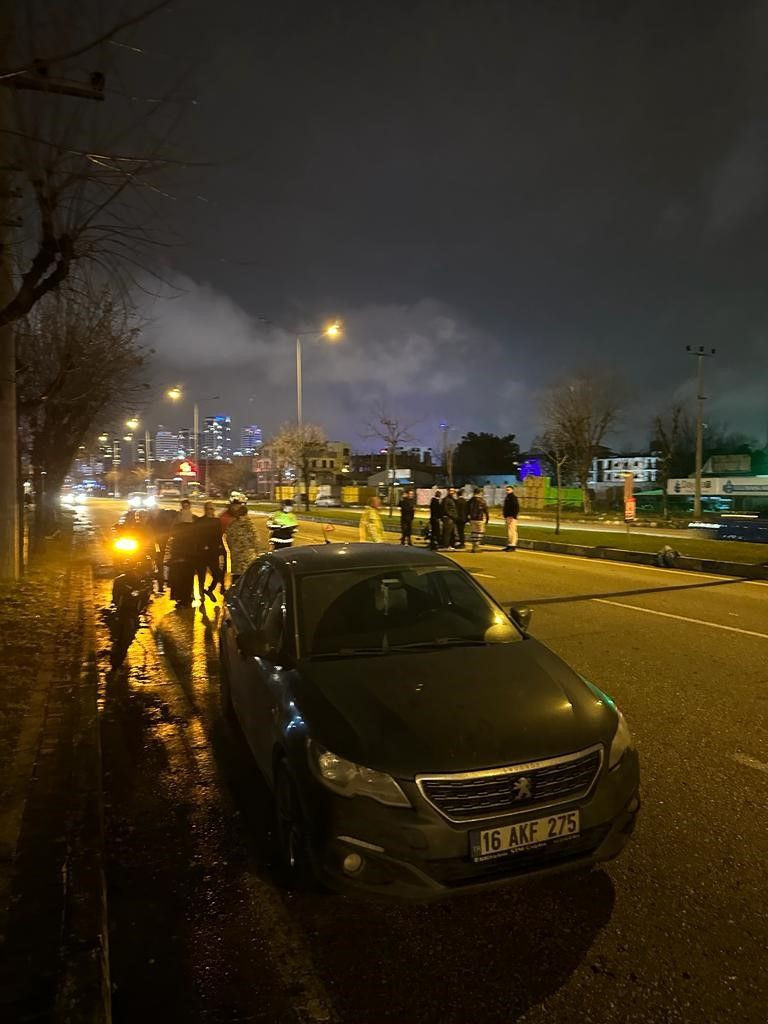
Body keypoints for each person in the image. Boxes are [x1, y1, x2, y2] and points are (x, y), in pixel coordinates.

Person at [166, 502, 198, 606]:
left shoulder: (194, 520)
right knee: (179, 578)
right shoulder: (177, 520)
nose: (186, 508)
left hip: (188, 555)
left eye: (187, 506)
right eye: (184, 506)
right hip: (180, 554)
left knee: (187, 578)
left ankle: (187, 598)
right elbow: (172, 535)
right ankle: (181, 598)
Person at [194, 502, 225, 601]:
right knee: (201, 575)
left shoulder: (217, 521)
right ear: (205, 509)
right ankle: (201, 592)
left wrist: (221, 549)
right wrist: (202, 546)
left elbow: (219, 536)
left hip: (213, 552)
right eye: (208, 508)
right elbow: (196, 536)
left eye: (211, 509)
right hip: (202, 553)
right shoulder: (199, 521)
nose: (209, 511)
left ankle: (210, 590)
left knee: (217, 574)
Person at [224, 504, 259, 584]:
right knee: (248, 582)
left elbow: (227, 539)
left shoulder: (232, 525)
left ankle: (233, 595)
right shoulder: (249, 525)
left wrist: (233, 550)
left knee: (236, 581)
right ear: (246, 514)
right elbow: (255, 540)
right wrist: (257, 553)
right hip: (248, 559)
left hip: (236, 559)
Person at [467, 487, 490, 553]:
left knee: (473, 532)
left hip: (472, 519)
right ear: (480, 492)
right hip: (479, 518)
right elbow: (486, 510)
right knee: (480, 532)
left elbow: (466, 510)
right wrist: (487, 519)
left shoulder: (470, 501)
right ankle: (477, 545)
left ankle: (474, 546)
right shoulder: (482, 501)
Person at [503, 484, 520, 551]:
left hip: (511, 517)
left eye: (508, 490)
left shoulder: (513, 498)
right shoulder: (508, 497)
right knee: (509, 531)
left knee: (512, 531)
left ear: (512, 490)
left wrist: (513, 515)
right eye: (506, 490)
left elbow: (516, 508)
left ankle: (512, 545)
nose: (507, 491)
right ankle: (509, 545)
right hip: (508, 516)